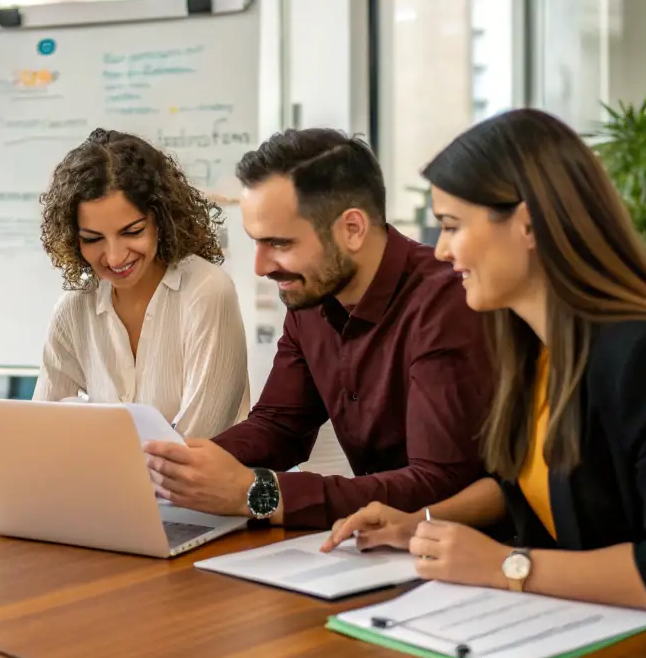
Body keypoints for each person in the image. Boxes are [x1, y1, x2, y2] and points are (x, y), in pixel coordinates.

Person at [321, 109, 646, 620]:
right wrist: (421, 523)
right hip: (603, 633)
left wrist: (507, 566)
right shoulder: (531, 348)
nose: (440, 252)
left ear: (528, 224)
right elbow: (524, 485)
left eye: (453, 227)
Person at [145, 128, 493, 529]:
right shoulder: (313, 294)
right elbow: (279, 425)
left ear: (352, 229)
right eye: (256, 242)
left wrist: (259, 492)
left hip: (463, 553)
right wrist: (177, 465)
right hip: (373, 546)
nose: (261, 266)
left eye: (280, 243)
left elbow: (439, 484)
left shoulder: (446, 303)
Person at [34, 128, 249, 438]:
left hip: (197, 485)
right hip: (105, 484)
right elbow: (44, 428)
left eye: (132, 232)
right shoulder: (74, 309)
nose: (115, 256)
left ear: (161, 219)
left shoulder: (206, 291)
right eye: (93, 239)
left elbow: (197, 441)